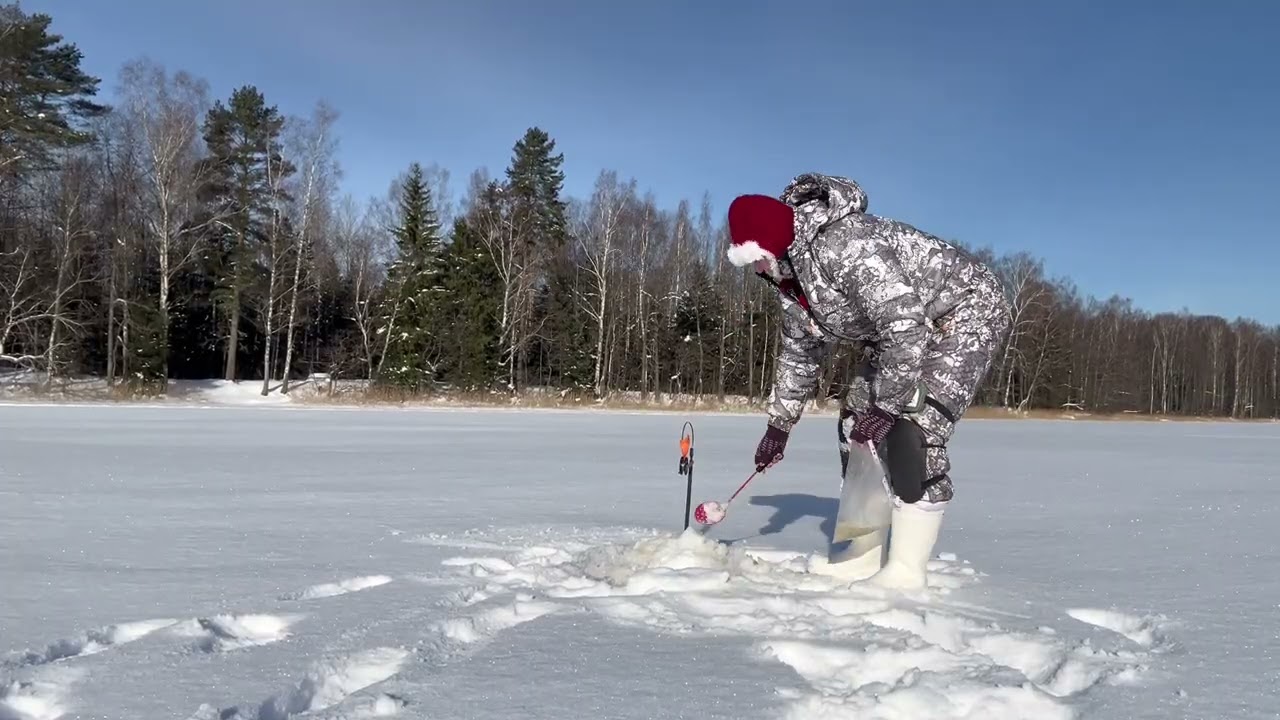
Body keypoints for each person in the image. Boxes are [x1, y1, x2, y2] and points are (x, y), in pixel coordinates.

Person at [724, 172, 1011, 590]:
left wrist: (889, 405)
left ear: (769, 242)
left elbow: (905, 326)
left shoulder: (847, 245)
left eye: (754, 257)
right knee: (855, 427)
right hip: (900, 334)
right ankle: (859, 557)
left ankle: (906, 572)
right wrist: (778, 427)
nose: (755, 269)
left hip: (961, 315)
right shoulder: (791, 283)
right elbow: (799, 354)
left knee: (912, 432)